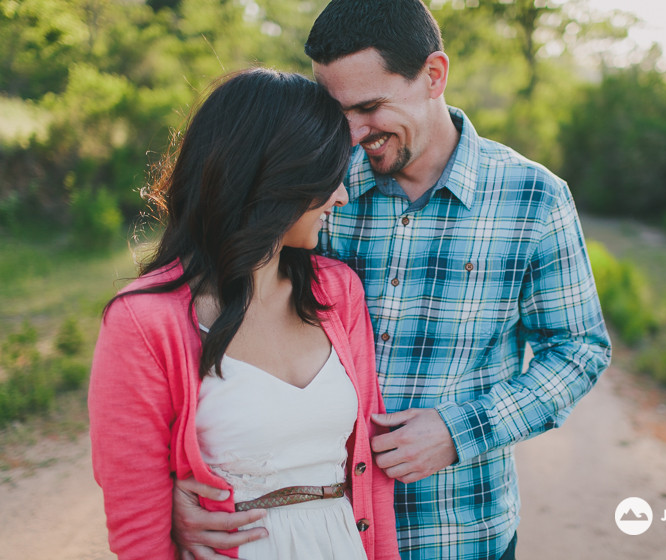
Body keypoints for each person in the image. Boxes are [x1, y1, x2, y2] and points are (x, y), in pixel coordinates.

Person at [172, 1, 612, 559]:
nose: (353, 135)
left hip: (457, 530)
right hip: (322, 535)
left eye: (371, 108)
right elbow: (209, 318)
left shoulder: (534, 198)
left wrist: (461, 430)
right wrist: (175, 486)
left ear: (434, 75)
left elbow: (578, 350)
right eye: (338, 115)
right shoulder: (317, 191)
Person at [88, 67, 399, 560]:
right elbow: (136, 532)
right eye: (329, 176)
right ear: (276, 178)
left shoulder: (339, 293)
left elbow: (373, 480)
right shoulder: (144, 323)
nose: (341, 195)